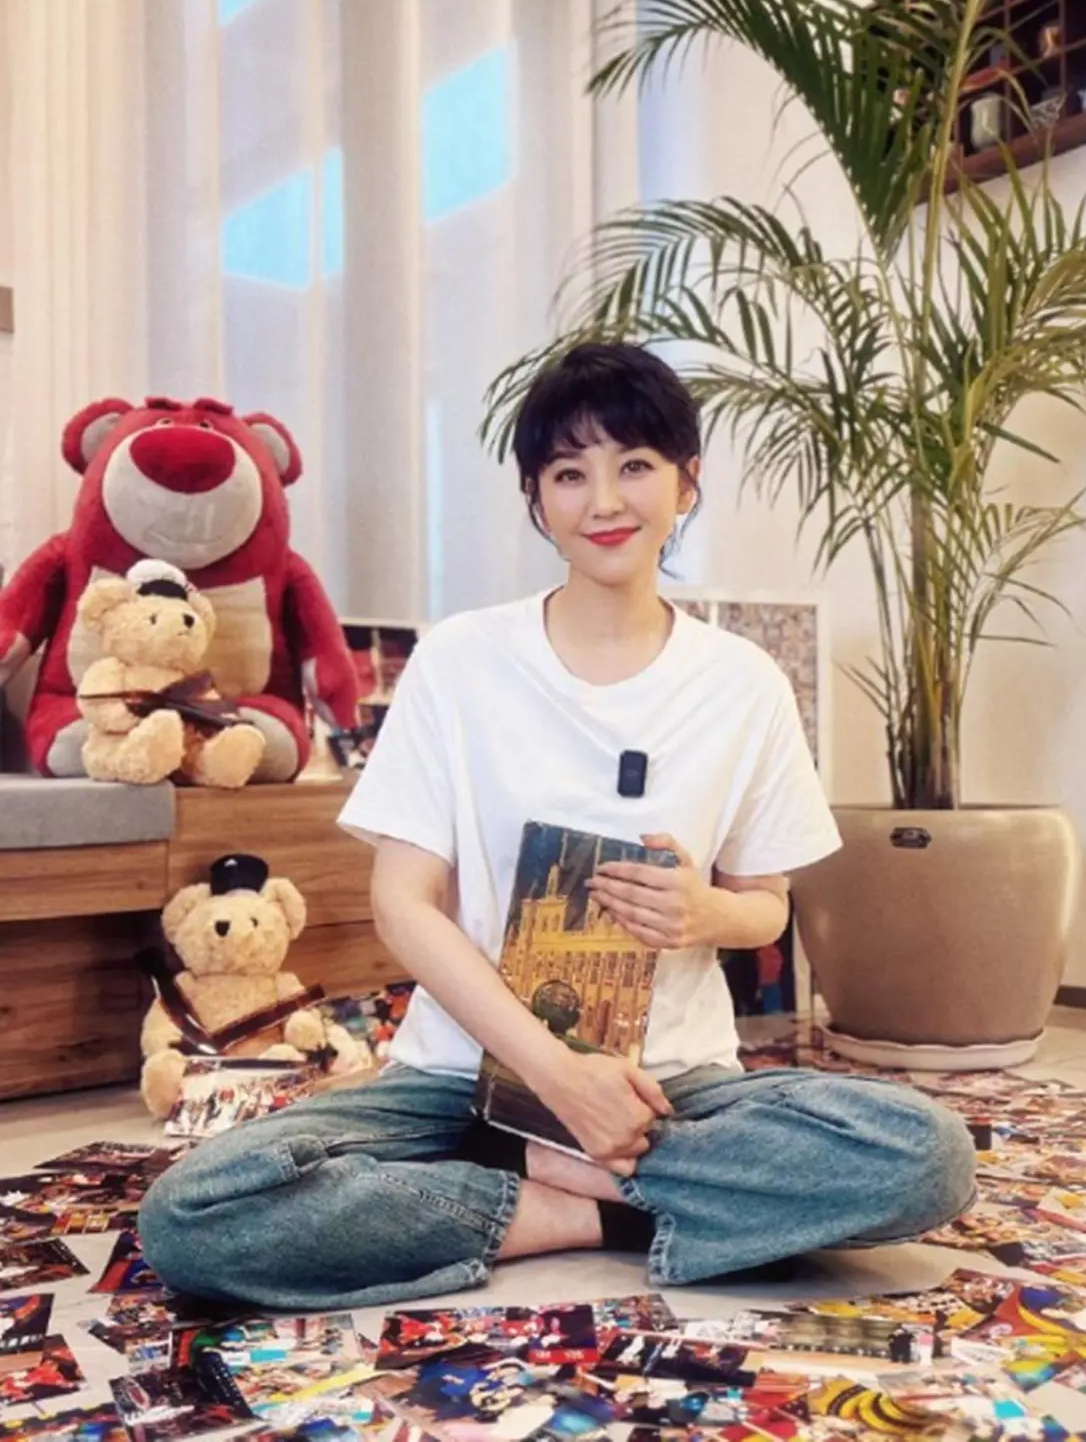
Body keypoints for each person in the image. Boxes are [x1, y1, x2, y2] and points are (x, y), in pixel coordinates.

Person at [139, 342, 975, 1309]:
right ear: (536, 499)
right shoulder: (460, 660)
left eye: (634, 465)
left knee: (928, 1155)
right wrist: (556, 1075)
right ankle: (590, 1205)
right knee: (194, 1212)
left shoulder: (742, 683)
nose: (603, 500)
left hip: (672, 1090)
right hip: (458, 1084)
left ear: (686, 481)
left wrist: (705, 911)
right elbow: (404, 905)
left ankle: (563, 1188)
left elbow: (767, 907)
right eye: (569, 473)